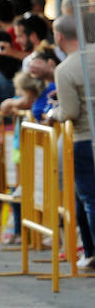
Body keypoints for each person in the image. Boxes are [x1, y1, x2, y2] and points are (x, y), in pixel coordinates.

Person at [48, 15, 95, 267]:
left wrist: (51, 113)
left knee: (88, 198)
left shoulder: (65, 69)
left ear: (59, 37)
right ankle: (89, 252)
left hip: (83, 139)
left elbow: (69, 112)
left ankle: (91, 252)